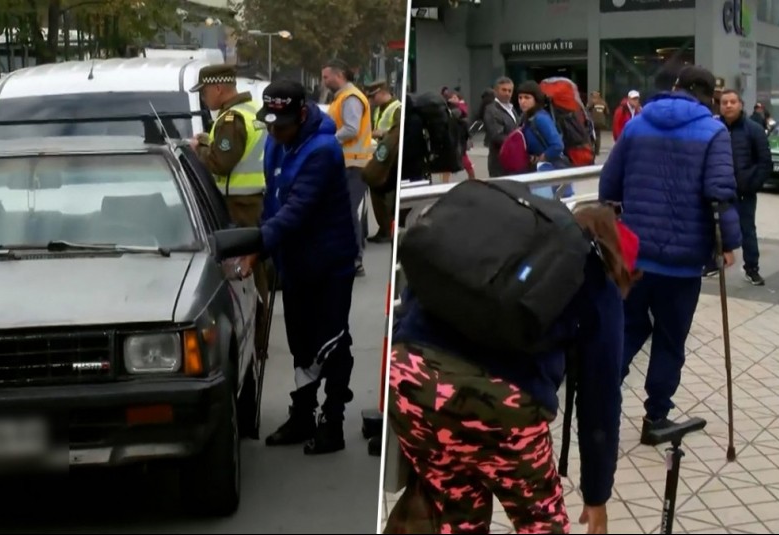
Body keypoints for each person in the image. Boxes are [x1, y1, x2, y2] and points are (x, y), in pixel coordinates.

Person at [388, 203, 635, 534]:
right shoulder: (595, 279)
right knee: (540, 522)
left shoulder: (506, 238)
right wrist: (596, 497)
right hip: (502, 406)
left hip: (410, 377)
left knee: (456, 516)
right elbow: (600, 400)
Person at [599, 65, 741, 444]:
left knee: (628, 328)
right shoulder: (713, 131)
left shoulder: (637, 125)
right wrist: (729, 243)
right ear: (708, 96)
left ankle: (600, 405)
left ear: (676, 88)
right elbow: (720, 194)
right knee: (669, 337)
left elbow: (609, 183)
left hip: (636, 254)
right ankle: (656, 417)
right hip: (682, 261)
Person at [252, 80, 359, 454]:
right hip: (294, 260)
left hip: (329, 262)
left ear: (301, 115)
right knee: (300, 342)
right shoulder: (276, 142)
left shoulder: (323, 150)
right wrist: (269, 246)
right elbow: (274, 202)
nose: (274, 132)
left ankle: (333, 421)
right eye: (270, 125)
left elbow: (297, 210)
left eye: (281, 126)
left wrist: (258, 245)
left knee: (330, 341)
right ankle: (302, 414)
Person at [188, 64, 271, 356]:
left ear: (219, 89)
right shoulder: (253, 111)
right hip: (254, 200)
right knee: (255, 271)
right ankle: (258, 338)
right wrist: (209, 141)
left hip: (239, 205)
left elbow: (220, 163)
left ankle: (255, 341)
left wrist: (197, 149)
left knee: (245, 273)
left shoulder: (231, 119)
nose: (204, 99)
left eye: (205, 92)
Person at [322, 58, 373, 276]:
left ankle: (354, 259)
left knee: (348, 211)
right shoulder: (341, 97)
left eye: (326, 77)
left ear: (339, 75)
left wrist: (327, 140)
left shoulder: (350, 98)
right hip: (347, 162)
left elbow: (351, 129)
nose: (323, 81)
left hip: (353, 163)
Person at [717, 89, 772, 286]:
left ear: (740, 104)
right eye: (724, 102)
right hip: (719, 191)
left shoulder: (754, 129)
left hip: (744, 192)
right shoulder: (714, 128)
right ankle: (713, 263)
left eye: (732, 102)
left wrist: (751, 184)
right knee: (714, 229)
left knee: (747, 229)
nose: (728, 106)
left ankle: (752, 268)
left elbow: (765, 162)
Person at [365, 79, 401, 243]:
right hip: (382, 153)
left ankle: (388, 229)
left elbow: (398, 132)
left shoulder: (397, 108)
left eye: (373, 97)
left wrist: (381, 134)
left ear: (381, 92)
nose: (371, 101)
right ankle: (385, 228)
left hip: (391, 157)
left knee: (380, 188)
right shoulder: (379, 109)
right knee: (378, 189)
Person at [482, 76, 519, 177]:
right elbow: (497, 136)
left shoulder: (511, 109)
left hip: (513, 159)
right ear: (495, 91)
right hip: (499, 161)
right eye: (504, 90)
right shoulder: (491, 110)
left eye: (509, 91)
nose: (507, 93)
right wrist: (519, 143)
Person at [587, 90, 610, 155]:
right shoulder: (603, 102)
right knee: (598, 135)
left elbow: (587, 109)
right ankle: (597, 151)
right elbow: (607, 112)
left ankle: (590, 150)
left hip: (593, 121)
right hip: (601, 122)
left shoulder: (591, 101)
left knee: (590, 135)